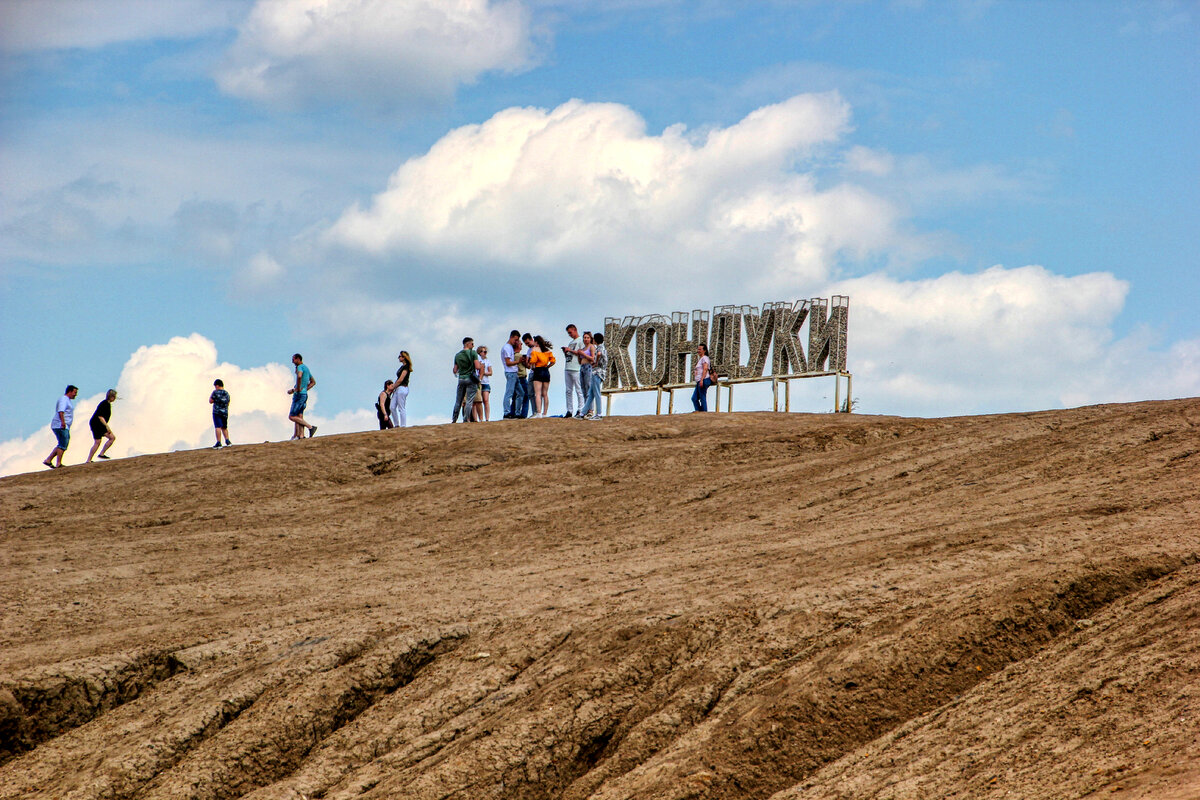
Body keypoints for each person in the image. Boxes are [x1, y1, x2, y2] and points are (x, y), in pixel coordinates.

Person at [43, 384, 78, 469]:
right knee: (63, 443)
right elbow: (61, 411)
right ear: (70, 391)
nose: (75, 394)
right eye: (74, 392)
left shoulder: (67, 400)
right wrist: (63, 422)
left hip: (63, 425)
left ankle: (48, 460)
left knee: (62, 444)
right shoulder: (64, 399)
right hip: (60, 425)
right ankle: (58, 463)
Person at [451, 337, 482, 422]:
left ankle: (454, 419)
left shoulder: (457, 355)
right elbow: (477, 366)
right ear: (467, 344)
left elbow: (455, 370)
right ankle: (466, 419)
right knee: (469, 401)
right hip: (470, 378)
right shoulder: (473, 353)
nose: (473, 345)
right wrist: (480, 365)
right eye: (472, 343)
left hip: (461, 379)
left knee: (458, 401)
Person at [288, 353, 317, 439]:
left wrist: (297, 389)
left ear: (298, 359)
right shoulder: (306, 368)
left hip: (299, 395)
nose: (292, 361)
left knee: (292, 416)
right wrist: (305, 389)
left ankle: (310, 427)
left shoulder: (300, 367)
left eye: (293, 359)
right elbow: (313, 382)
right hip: (304, 395)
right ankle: (300, 435)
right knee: (299, 416)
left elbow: (299, 376)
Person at [86, 389, 119, 462]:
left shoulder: (107, 404)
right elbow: (100, 417)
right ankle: (89, 459)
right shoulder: (105, 404)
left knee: (111, 438)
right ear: (111, 396)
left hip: (98, 424)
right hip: (97, 424)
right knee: (99, 441)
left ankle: (100, 454)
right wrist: (107, 427)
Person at [528, 335, 555, 417]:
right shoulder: (547, 351)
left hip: (538, 370)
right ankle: (545, 413)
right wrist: (548, 367)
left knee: (538, 393)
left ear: (536, 342)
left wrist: (532, 366)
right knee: (545, 394)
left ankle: (539, 412)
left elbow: (533, 361)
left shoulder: (535, 350)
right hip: (546, 371)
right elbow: (553, 361)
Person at [561, 323, 584, 418]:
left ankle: (581, 409)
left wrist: (570, 350)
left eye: (570, 332)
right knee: (568, 390)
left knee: (579, 389)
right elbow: (569, 356)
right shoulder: (571, 342)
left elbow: (581, 353)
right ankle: (569, 410)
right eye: (568, 333)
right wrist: (566, 351)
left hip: (576, 368)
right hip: (568, 367)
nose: (570, 334)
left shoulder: (581, 341)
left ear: (575, 330)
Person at [583, 332, 607, 420]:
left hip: (598, 372)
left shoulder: (600, 348)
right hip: (597, 372)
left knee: (596, 393)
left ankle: (599, 414)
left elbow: (599, 354)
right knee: (591, 393)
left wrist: (595, 362)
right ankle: (583, 412)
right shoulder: (602, 347)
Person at [500, 330, 522, 419]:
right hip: (510, 373)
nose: (516, 342)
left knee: (521, 393)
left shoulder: (510, 347)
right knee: (509, 393)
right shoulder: (507, 348)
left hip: (514, 373)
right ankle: (506, 413)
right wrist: (518, 361)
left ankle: (517, 413)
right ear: (511, 337)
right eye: (515, 340)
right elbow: (508, 362)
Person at [576, 331, 595, 419]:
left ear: (590, 338)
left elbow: (592, 358)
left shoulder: (591, 347)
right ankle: (585, 409)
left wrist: (583, 354)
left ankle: (590, 410)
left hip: (588, 367)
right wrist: (579, 355)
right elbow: (580, 362)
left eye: (587, 337)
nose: (586, 339)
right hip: (582, 368)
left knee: (588, 388)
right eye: (584, 338)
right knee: (583, 389)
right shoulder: (583, 348)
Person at [392, 351, 412, 427]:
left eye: (400, 356)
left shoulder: (406, 367)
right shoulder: (402, 367)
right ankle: (396, 424)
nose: (399, 358)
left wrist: (393, 387)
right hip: (398, 388)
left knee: (401, 407)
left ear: (404, 357)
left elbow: (401, 379)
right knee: (392, 407)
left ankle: (403, 425)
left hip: (402, 387)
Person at [517, 332, 535, 418]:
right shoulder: (529, 350)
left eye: (528, 343)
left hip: (537, 372)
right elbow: (528, 366)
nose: (527, 345)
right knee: (530, 393)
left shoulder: (537, 348)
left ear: (532, 339)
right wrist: (525, 362)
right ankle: (535, 411)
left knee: (538, 393)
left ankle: (538, 412)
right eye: (525, 344)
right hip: (531, 373)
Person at [692, 343, 714, 412]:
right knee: (694, 398)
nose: (698, 351)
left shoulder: (705, 358)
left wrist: (702, 380)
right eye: (698, 349)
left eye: (700, 349)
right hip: (699, 381)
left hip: (704, 380)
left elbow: (705, 369)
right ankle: (699, 411)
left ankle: (704, 412)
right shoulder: (701, 359)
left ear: (704, 350)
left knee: (702, 397)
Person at [210, 379, 232, 447]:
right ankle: (227, 441)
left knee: (218, 427)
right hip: (225, 412)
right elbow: (228, 403)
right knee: (224, 427)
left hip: (217, 412)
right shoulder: (226, 393)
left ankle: (219, 442)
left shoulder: (215, 392)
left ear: (217, 385)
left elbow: (210, 401)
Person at [476, 345, 493, 421]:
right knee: (478, 401)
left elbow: (490, 372)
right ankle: (480, 418)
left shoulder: (487, 361)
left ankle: (487, 418)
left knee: (486, 400)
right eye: (484, 352)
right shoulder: (477, 360)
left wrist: (483, 372)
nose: (485, 353)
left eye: (486, 352)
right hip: (479, 382)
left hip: (485, 382)